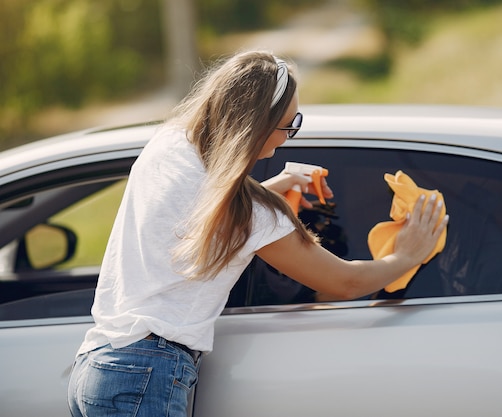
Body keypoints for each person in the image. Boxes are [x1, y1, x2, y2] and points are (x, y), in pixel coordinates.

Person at [67, 50, 448, 417]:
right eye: (289, 125)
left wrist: (274, 186)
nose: (287, 138)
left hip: (99, 366)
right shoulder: (253, 215)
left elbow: (202, 198)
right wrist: (406, 256)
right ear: (255, 126)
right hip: (146, 375)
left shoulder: (169, 146)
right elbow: (345, 282)